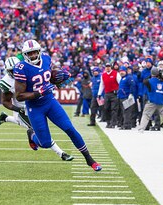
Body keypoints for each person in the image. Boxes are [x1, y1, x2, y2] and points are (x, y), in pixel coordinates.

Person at [13, 40, 101, 171]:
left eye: (34, 53)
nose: (32, 56)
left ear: (39, 51)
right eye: (29, 54)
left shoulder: (46, 59)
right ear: (25, 54)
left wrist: (61, 76)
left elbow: (50, 77)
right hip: (35, 107)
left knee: (70, 129)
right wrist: (39, 92)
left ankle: (89, 159)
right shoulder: (21, 68)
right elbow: (19, 95)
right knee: (46, 143)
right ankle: (32, 135)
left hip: (50, 102)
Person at [0, 56, 73, 161]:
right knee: (40, 132)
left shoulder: (27, 70)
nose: (15, 72)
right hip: (22, 107)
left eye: (15, 69)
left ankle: (5, 118)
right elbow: (5, 101)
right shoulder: (6, 82)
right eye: (11, 70)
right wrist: (18, 109)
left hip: (36, 103)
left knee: (30, 126)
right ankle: (61, 153)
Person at [138, 67, 163, 133]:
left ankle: (141, 129)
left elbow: (145, 81)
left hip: (152, 101)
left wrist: (151, 76)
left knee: (146, 115)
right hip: (161, 101)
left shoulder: (150, 81)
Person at [98, 62, 121, 128]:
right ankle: (108, 122)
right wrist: (99, 94)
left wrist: (119, 91)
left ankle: (113, 123)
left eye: (109, 66)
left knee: (114, 109)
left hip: (114, 93)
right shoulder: (103, 75)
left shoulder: (116, 73)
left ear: (111, 67)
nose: (108, 68)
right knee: (106, 108)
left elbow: (120, 83)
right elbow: (102, 85)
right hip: (107, 93)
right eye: (106, 67)